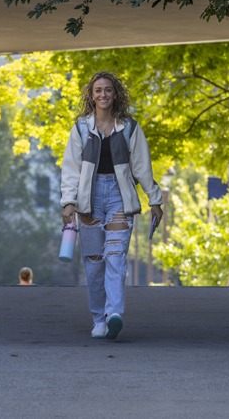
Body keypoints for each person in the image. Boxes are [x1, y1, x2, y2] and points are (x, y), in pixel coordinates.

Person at [60, 71, 163, 340]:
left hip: (119, 196)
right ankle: (98, 319)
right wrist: (68, 203)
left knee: (116, 257)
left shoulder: (129, 127)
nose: (103, 94)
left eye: (108, 89)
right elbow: (70, 169)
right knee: (94, 263)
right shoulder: (81, 128)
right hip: (89, 201)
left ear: (115, 93)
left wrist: (155, 200)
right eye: (98, 90)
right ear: (91, 96)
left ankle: (113, 314)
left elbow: (142, 167)